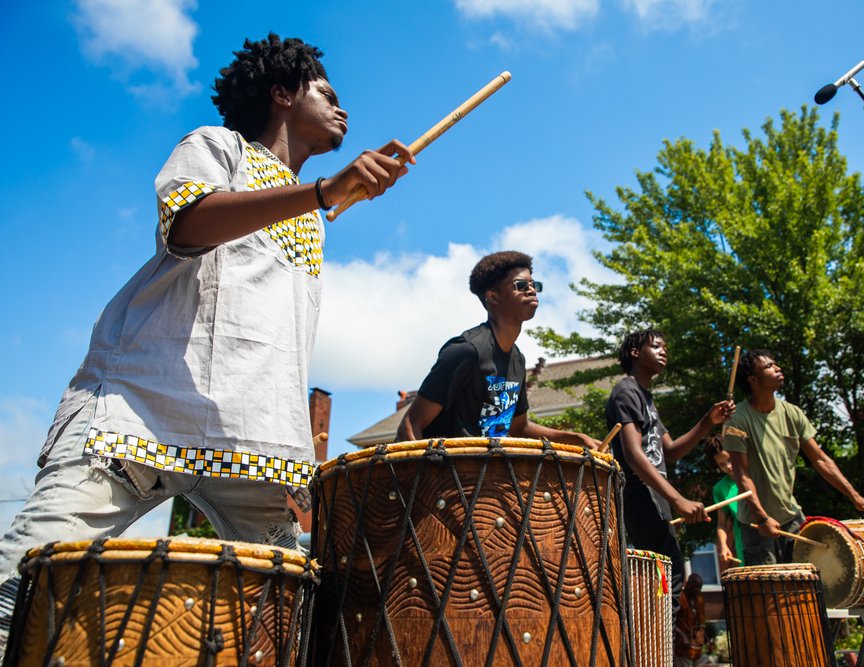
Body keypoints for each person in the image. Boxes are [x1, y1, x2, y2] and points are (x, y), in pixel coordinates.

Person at [0, 33, 414, 655]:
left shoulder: (309, 214)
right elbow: (190, 225)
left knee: (283, 625)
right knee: (24, 587)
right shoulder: (216, 146)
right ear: (281, 92)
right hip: (141, 413)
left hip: (255, 439)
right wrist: (325, 192)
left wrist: (323, 199)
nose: (343, 108)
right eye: (326, 92)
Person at [396, 251, 600, 449]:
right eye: (520, 285)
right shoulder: (466, 350)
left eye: (534, 284)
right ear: (493, 297)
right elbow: (410, 425)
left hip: (489, 477)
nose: (531, 290)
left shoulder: (517, 360)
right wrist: (427, 478)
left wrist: (575, 438)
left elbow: (519, 428)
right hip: (451, 476)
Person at [605, 329, 734, 617]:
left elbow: (671, 451)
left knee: (666, 582)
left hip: (655, 496)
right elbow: (633, 454)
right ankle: (655, 657)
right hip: (640, 494)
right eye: (655, 346)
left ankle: (658, 653)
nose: (663, 351)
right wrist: (679, 500)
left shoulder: (645, 398)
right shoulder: (626, 391)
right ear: (636, 353)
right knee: (665, 584)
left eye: (665, 347)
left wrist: (707, 422)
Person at [723, 349, 864, 566]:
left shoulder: (793, 413)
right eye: (769, 366)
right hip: (758, 525)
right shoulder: (736, 421)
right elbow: (742, 474)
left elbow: (821, 459)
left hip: (792, 517)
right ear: (753, 380)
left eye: (776, 364)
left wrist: (854, 496)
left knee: (804, 590)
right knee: (769, 593)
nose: (777, 368)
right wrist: (762, 517)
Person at [705, 435, 743, 570]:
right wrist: (724, 545)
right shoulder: (719, 489)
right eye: (721, 464)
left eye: (729, 459)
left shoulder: (753, 474)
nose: (728, 466)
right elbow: (721, 524)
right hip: (744, 544)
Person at [675, 573, 707, 667]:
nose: (697, 591)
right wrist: (682, 635)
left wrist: (705, 635)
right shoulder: (679, 598)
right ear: (687, 584)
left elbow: (701, 620)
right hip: (682, 648)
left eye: (699, 588)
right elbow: (671, 620)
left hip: (696, 648)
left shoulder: (699, 599)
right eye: (695, 588)